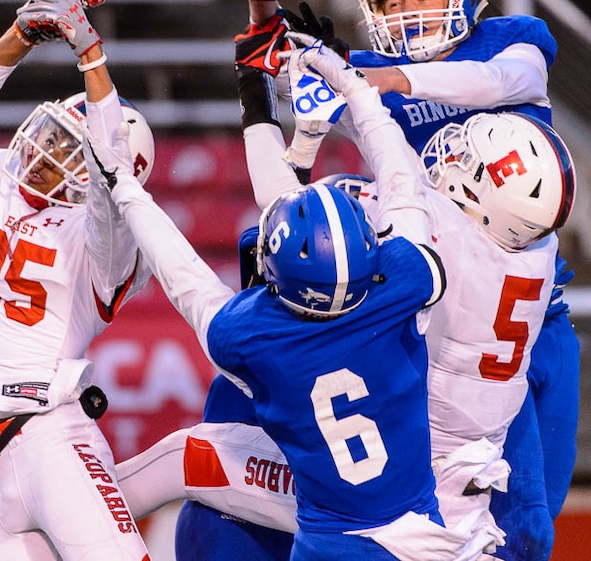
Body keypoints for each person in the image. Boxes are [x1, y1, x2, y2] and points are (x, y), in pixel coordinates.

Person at [111, 36, 575, 560]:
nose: (447, 159)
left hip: (391, 500)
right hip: (462, 503)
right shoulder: (531, 247)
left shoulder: (421, 260)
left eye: (465, 160)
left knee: (184, 458)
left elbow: (284, 205)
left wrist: (287, 101)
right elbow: (403, 184)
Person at [281, 0, 578, 561]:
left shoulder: (510, 43)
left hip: (537, 312)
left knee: (543, 503)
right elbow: (295, 138)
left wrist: (387, 82)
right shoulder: (361, 76)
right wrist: (280, 50)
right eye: (392, 3)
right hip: (447, 325)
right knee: (508, 514)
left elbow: (496, 83)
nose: (409, 13)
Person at [0, 0, 156, 560]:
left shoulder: (108, 240)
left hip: (52, 437)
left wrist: (91, 58)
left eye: (73, 150)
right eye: (54, 138)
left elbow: (110, 181)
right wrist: (16, 41)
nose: (50, 156)